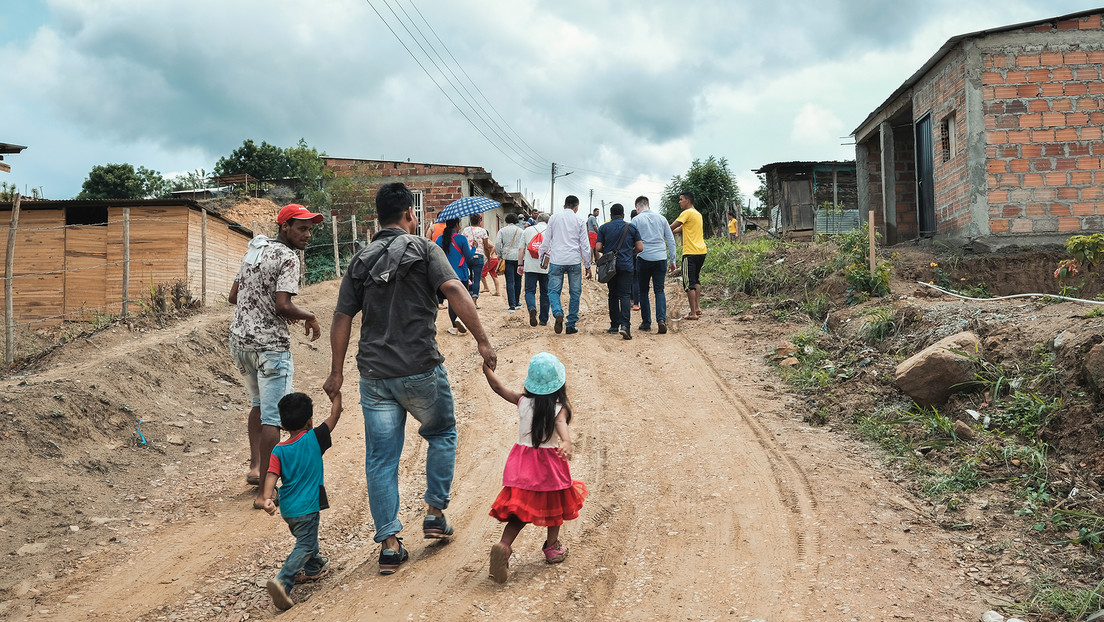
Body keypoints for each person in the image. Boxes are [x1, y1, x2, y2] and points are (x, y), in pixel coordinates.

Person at [324, 182, 497, 575]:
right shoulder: (425, 249)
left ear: (378, 217)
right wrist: (482, 340)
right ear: (407, 214)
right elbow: (454, 288)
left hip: (375, 377)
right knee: (442, 432)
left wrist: (336, 372)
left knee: (381, 458)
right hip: (420, 369)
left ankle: (389, 545)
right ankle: (434, 513)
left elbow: (342, 317)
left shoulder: (360, 260)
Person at [229, 203, 323, 510]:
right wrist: (309, 315)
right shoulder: (288, 257)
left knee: (258, 405)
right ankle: (264, 495)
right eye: (302, 228)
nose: (307, 235)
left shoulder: (254, 251)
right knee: (273, 417)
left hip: (240, 343)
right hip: (270, 347)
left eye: (310, 229)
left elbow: (234, 296)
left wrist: (262, 308)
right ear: (285, 227)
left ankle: (256, 468)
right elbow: (283, 304)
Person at [481, 352, 587, 584]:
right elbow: (560, 423)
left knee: (520, 511)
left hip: (523, 465)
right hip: (548, 465)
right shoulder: (559, 408)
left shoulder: (522, 401)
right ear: (559, 384)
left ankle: (504, 546)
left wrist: (487, 370)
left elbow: (499, 388)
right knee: (556, 504)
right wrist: (566, 441)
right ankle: (552, 547)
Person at [262, 392, 342, 611]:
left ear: (283, 425)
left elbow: (271, 474)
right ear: (309, 421)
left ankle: (314, 566)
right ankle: (283, 581)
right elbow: (335, 415)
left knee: (306, 537)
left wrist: (268, 498)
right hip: (307, 507)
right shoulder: (314, 438)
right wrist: (336, 395)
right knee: (305, 544)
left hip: (289, 509)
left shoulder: (279, 449)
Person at [538, 195, 592, 334]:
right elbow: (585, 245)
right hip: (574, 260)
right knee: (575, 292)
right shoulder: (580, 221)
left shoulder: (553, 218)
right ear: (576, 207)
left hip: (557, 259)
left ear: (564, 205)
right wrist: (587, 265)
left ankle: (557, 312)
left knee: (553, 291)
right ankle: (571, 324)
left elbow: (546, 241)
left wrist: (541, 257)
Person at [595, 203, 642, 340]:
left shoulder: (604, 228)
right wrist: (630, 253)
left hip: (611, 267)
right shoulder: (631, 227)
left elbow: (598, 247)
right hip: (626, 265)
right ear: (623, 214)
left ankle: (614, 326)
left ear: (610, 215)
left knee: (613, 295)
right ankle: (625, 326)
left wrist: (609, 252)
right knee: (625, 295)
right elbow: (640, 247)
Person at [632, 196, 677, 334]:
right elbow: (671, 240)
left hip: (643, 258)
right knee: (659, 290)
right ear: (648, 205)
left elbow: (631, 241)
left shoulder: (636, 220)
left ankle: (646, 322)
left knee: (643, 291)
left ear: (637, 208)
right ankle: (661, 320)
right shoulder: (662, 219)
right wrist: (673, 261)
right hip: (660, 258)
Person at [435, 218, 477, 334]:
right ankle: (461, 319)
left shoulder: (439, 239)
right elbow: (469, 256)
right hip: (461, 274)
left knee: (451, 300)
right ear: (457, 225)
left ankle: (454, 326)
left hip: (446, 274)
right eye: (460, 224)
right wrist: (474, 247)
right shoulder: (461, 239)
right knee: (464, 298)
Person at [670, 190, 706, 320]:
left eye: (681, 199)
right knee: (696, 279)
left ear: (688, 200)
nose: (679, 202)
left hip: (690, 253)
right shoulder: (697, 214)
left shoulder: (686, 213)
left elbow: (671, 227)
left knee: (689, 283)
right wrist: (672, 231)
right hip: (701, 252)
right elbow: (680, 229)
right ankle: (697, 308)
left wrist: (661, 231)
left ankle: (692, 313)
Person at [519, 212, 550, 327]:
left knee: (529, 291)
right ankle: (543, 319)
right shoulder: (551, 231)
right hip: (546, 266)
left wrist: (520, 264)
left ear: (537, 220)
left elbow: (521, 249)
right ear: (548, 221)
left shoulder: (527, 231)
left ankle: (532, 308)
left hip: (530, 266)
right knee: (545, 292)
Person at [495, 213, 526, 311]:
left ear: (506, 220)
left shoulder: (502, 230)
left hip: (507, 257)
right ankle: (517, 302)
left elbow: (497, 244)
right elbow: (524, 245)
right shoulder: (521, 231)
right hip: (519, 258)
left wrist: (500, 255)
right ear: (516, 221)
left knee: (510, 281)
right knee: (518, 280)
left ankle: (511, 305)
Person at [461, 213, 491, 305]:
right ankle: (474, 300)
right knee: (477, 279)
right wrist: (488, 258)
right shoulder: (483, 231)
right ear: (479, 221)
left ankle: (469, 297)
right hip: (479, 256)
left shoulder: (465, 230)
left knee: (468, 278)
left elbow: (462, 242)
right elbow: (486, 247)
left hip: (467, 256)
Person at [629, 208, 640, 311]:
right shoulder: (641, 225)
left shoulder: (629, 227)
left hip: (630, 255)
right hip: (639, 254)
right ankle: (636, 303)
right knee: (636, 280)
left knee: (631, 279)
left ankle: (631, 300)